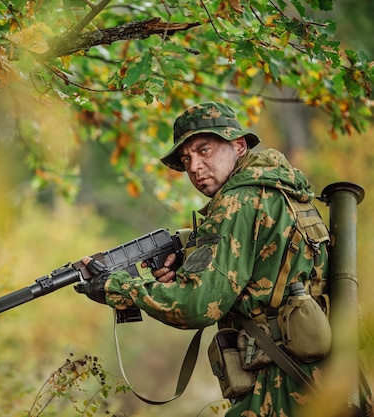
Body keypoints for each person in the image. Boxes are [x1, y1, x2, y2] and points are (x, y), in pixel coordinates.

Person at [76, 101, 362, 416]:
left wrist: (117, 287)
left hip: (281, 386)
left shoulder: (237, 201)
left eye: (204, 151)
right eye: (186, 159)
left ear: (238, 146)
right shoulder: (282, 191)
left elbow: (196, 304)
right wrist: (189, 252)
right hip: (325, 379)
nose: (194, 166)